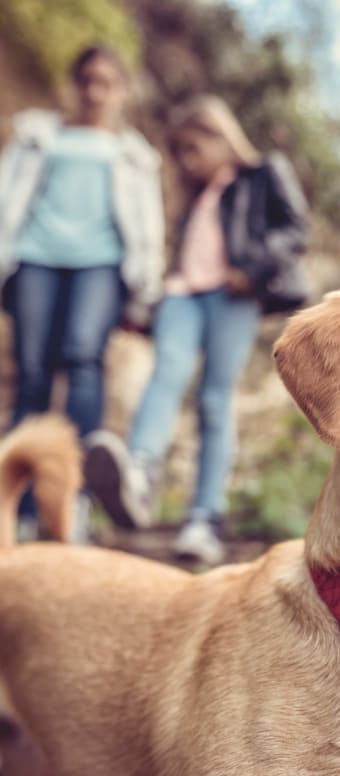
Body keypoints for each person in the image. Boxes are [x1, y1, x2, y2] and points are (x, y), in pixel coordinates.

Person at [85, 95, 308, 565]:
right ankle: (139, 476)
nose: (187, 161)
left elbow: (294, 229)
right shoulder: (196, 198)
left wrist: (252, 269)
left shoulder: (262, 173)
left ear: (219, 136)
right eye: (181, 153)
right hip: (184, 295)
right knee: (166, 372)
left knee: (214, 398)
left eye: (193, 149)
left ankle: (204, 517)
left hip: (233, 295)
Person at [0, 44, 164, 543]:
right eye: (88, 80)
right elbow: (6, 195)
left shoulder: (134, 154)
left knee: (83, 360)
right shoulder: (37, 137)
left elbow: (148, 226)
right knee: (32, 373)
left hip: (101, 264)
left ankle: (74, 501)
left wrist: (146, 287)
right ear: (75, 84)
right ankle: (20, 506)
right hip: (35, 258)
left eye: (107, 83)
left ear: (122, 91)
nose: (95, 91)